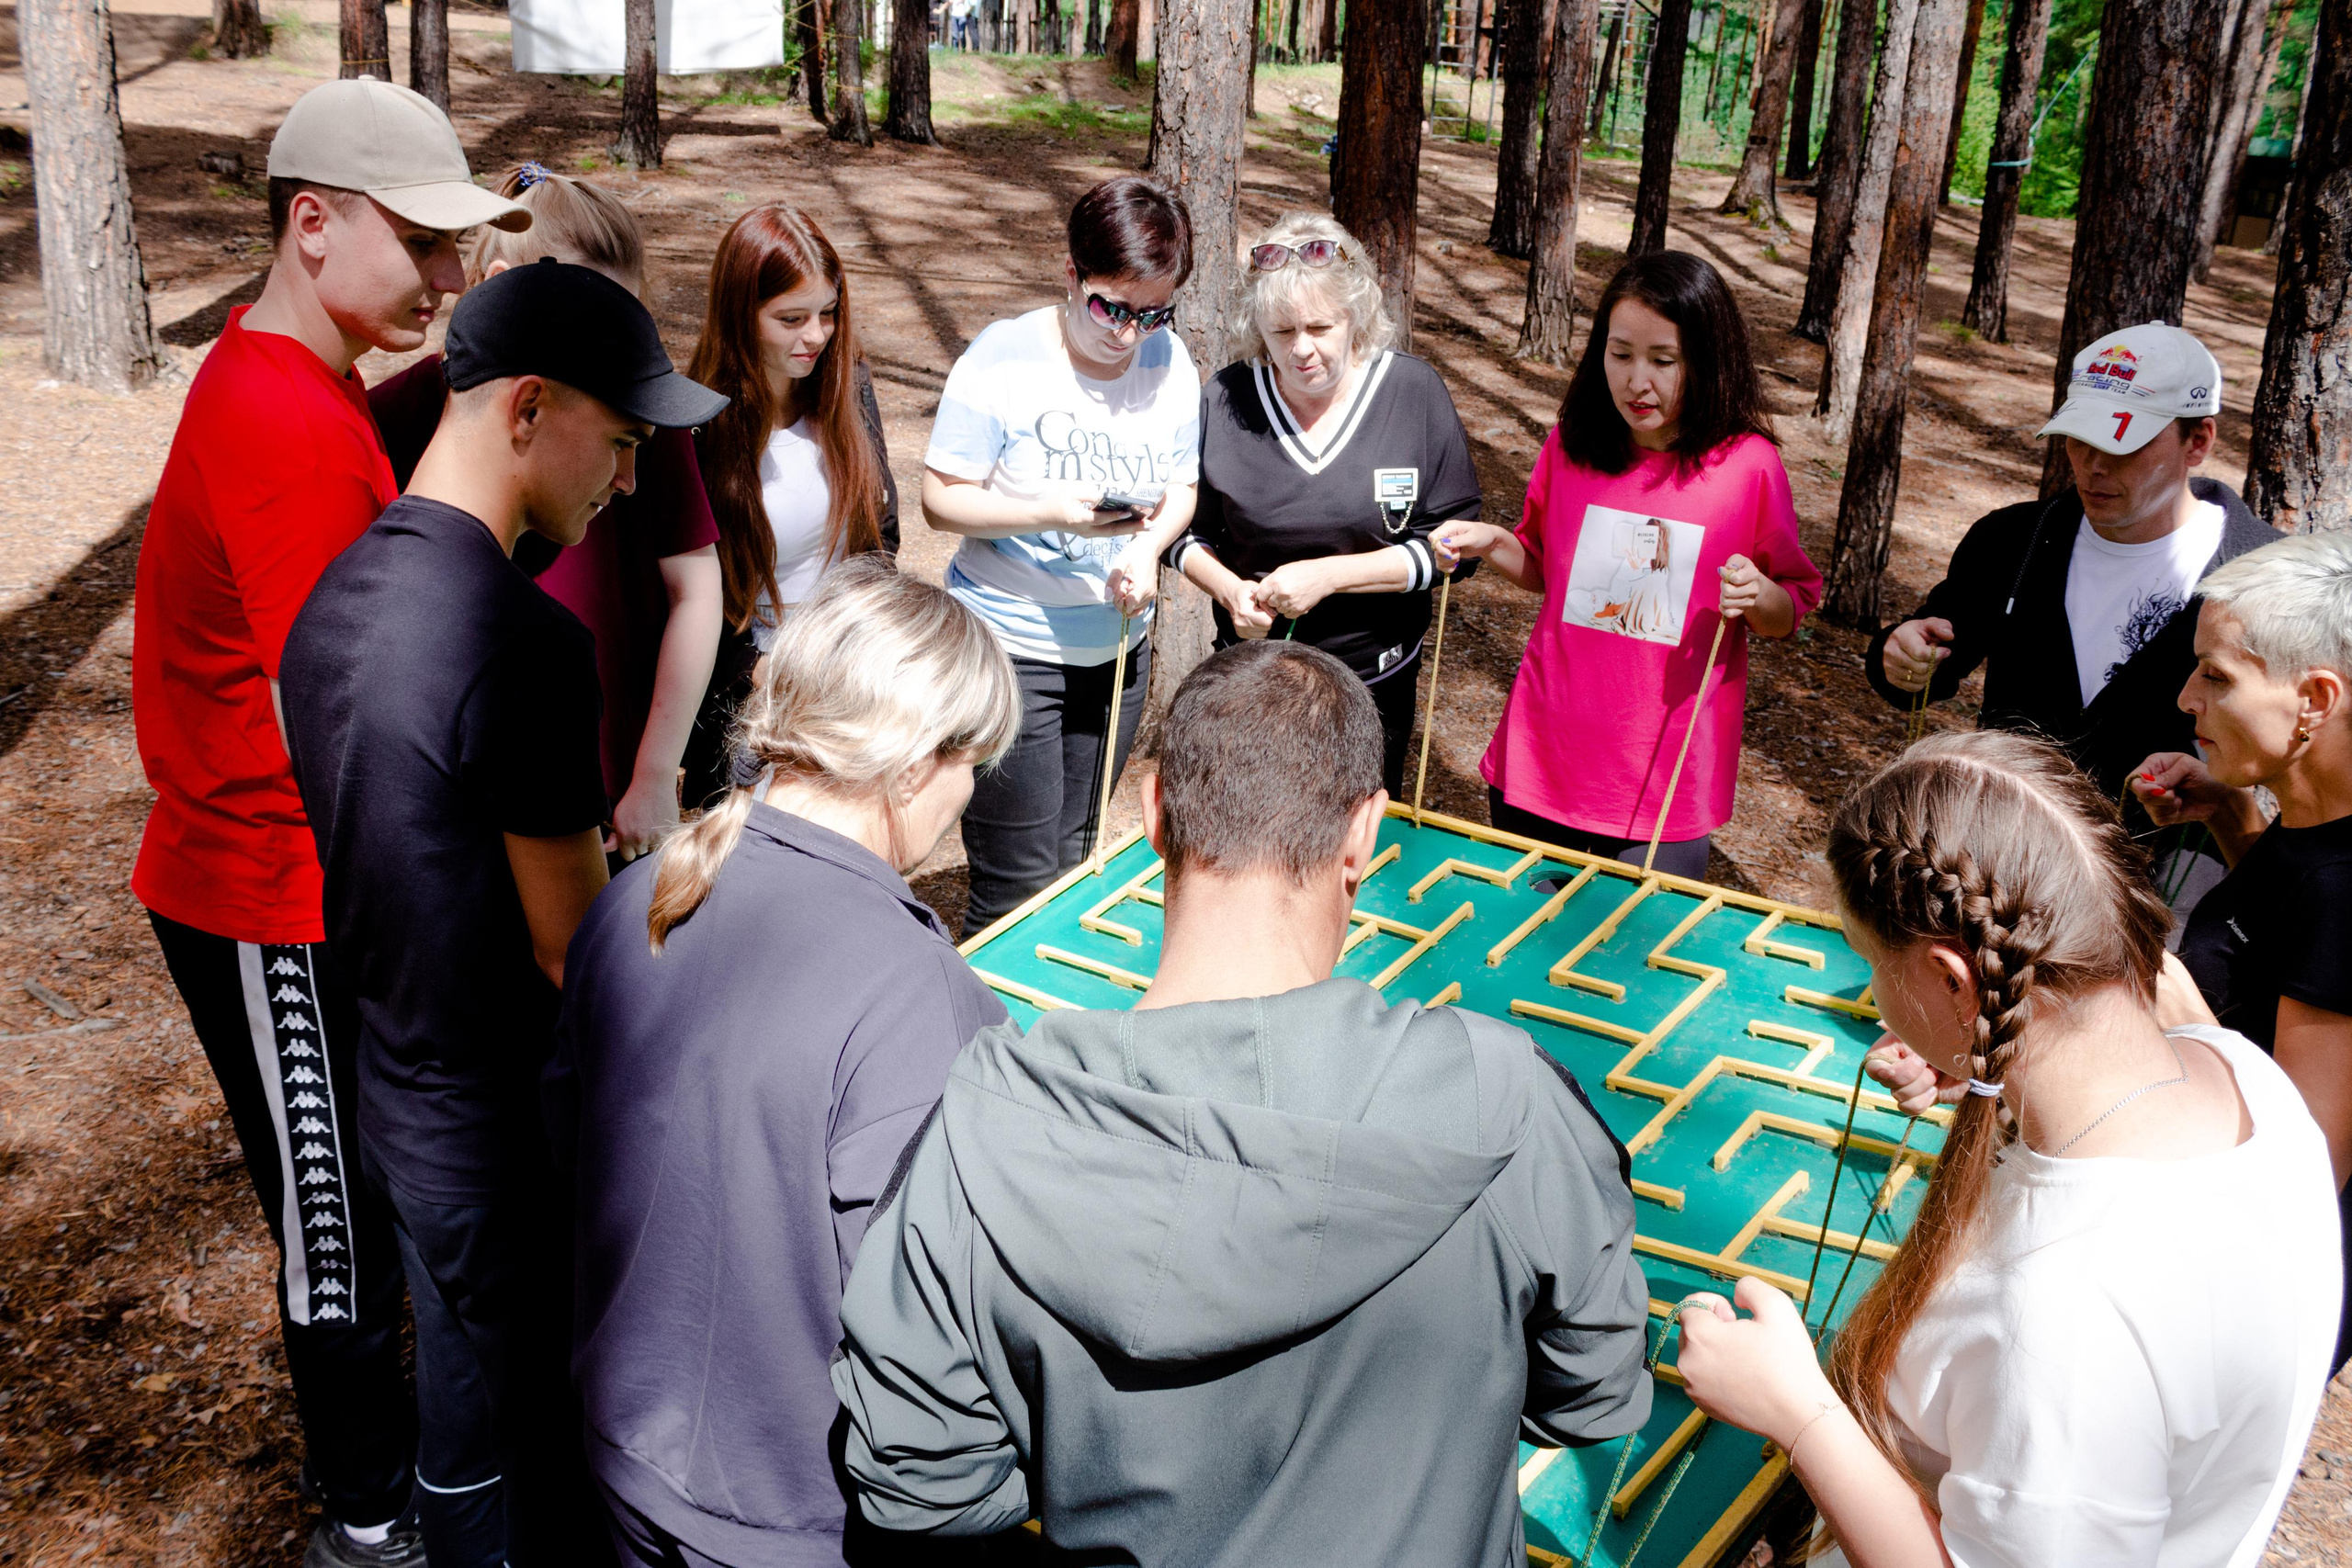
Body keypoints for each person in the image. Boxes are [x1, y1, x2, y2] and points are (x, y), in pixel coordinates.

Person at [831, 640, 1654, 1564]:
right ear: (1363, 834)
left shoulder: (979, 1130)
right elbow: (1597, 1394)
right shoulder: (1512, 1103)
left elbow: (916, 1487)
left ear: (1151, 812)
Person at [130, 76, 527, 1568]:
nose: (445, 274)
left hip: (315, 883)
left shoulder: (299, 382)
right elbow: (352, 716)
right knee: (337, 1224)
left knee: (370, 1195)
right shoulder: (280, 419)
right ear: (313, 226)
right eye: (424, 242)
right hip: (267, 895)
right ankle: (366, 1524)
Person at [279, 260, 728, 1568]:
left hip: (394, 1088)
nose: (632, 481)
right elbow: (572, 945)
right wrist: (697, 890)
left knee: (464, 1395)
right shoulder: (523, 641)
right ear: (528, 407)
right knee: (526, 1436)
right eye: (626, 440)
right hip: (503, 1126)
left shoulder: (337, 595)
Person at [1674, 730, 2339, 1568]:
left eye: (1875, 964)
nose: (1879, 999)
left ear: (1955, 980)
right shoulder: (2249, 1079)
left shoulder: (2061, 1314)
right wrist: (1986, 1062)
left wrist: (1796, 1411)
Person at [548, 558, 1019, 1566]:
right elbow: (930, 1335)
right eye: (971, 759)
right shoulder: (915, 994)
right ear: (908, 765)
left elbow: (569, 1168)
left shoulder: (635, 898)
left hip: (620, 1455)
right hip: (791, 1514)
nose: (971, 792)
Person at [369, 163, 726, 864]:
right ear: (501, 282)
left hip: (612, 793)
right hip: (461, 805)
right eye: (589, 315)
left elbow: (698, 587)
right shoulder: (390, 419)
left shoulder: (649, 420)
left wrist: (654, 775)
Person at [1434, 252, 1820, 879]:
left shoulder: (1748, 467)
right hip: (1542, 757)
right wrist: (1489, 541)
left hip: (1661, 787)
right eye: (1620, 354)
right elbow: (1543, 567)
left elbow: (1790, 606)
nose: (1637, 380)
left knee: (1632, 969)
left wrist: (1760, 595)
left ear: (1707, 358)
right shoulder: (1572, 444)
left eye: (1663, 361)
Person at [1867, 322, 2274, 909]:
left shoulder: (2265, 573)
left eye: (2123, 445)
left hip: (2171, 893)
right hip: (2006, 871)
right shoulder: (2012, 540)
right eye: (2079, 439)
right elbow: (1925, 660)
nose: (2092, 466)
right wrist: (1900, 654)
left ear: (2198, 441)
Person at [927, 175, 1203, 932]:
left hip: (1115, 656)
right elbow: (939, 497)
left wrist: (1147, 549)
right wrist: (1048, 511)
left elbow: (1182, 486)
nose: (1127, 333)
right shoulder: (1005, 357)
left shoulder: (1171, 362)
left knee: (1078, 860)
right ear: (1071, 274)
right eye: (1110, 306)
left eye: (1151, 313)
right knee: (1016, 886)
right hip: (1009, 649)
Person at [2132, 532, 2352, 1369]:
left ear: (2315, 698)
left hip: (2234, 1315)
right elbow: (2284, 938)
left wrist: (2176, 1009)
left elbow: (2303, 1174)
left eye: (2217, 677)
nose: (2186, 698)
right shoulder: (2312, 818)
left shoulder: (2346, 891)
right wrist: (2231, 818)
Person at [1170, 212, 1483, 794]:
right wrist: (1227, 589)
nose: (1302, 350)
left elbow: (1457, 549)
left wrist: (1333, 576)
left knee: (1352, 846)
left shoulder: (1412, 393)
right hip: (1254, 677)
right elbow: (1186, 533)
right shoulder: (1226, 397)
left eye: (1320, 327)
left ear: (1357, 316)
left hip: (1375, 681)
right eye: (1282, 332)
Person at [682, 202, 899, 808]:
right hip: (750, 703)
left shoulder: (847, 382)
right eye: (791, 318)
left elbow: (880, 534)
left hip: (844, 674)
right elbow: (689, 594)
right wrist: (761, 671)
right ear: (740, 315)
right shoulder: (699, 426)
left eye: (828, 314)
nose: (816, 336)